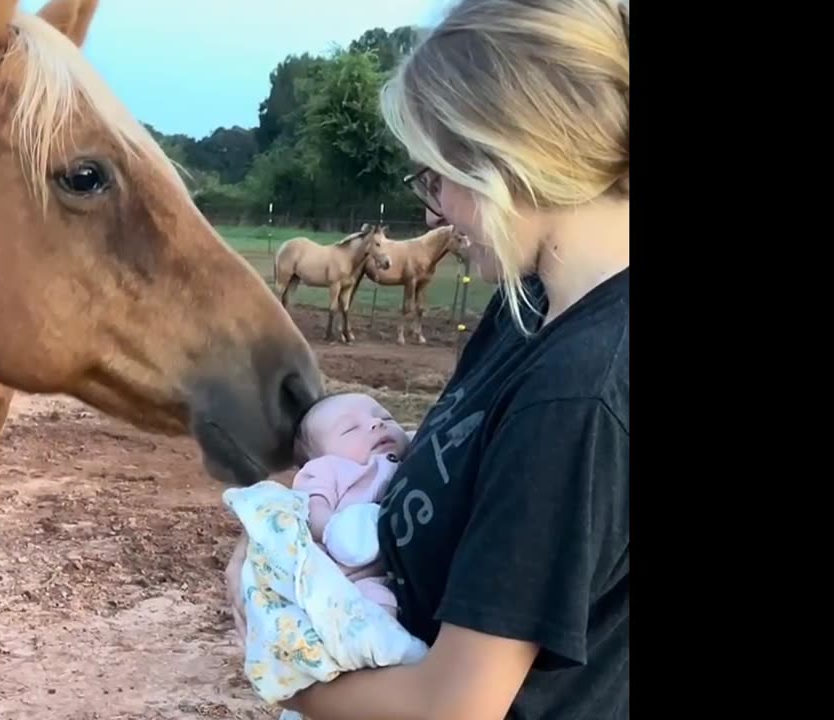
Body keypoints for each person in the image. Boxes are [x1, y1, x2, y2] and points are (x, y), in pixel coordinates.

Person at [223, 1, 630, 718]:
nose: (434, 210)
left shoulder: (578, 396)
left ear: (503, 155)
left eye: (434, 178)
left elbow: (452, 706)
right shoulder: (525, 311)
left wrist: (277, 648)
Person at [289, 392, 412, 618]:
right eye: (350, 429)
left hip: (405, 573)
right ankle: (384, 645)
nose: (376, 423)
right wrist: (334, 529)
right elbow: (311, 509)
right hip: (353, 576)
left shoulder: (412, 452)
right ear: (318, 457)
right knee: (376, 606)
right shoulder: (327, 470)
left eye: (386, 418)